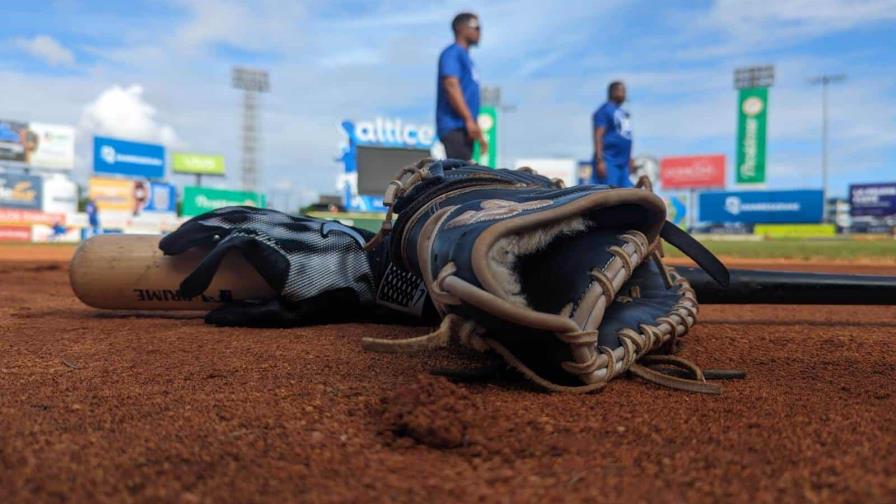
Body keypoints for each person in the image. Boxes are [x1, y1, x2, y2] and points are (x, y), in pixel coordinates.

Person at [436, 12, 487, 161]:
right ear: (461, 28)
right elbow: (451, 85)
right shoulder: (452, 53)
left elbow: (469, 98)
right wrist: (469, 120)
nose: (479, 32)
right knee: (461, 178)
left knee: (467, 174)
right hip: (454, 127)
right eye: (476, 27)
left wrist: (477, 131)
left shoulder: (467, 59)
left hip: (465, 128)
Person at [592, 81, 634, 187]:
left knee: (628, 195)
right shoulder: (604, 110)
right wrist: (600, 160)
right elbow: (598, 135)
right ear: (613, 91)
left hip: (623, 163)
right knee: (609, 196)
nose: (624, 94)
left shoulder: (623, 112)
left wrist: (630, 158)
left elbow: (626, 137)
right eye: (622, 91)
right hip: (609, 161)